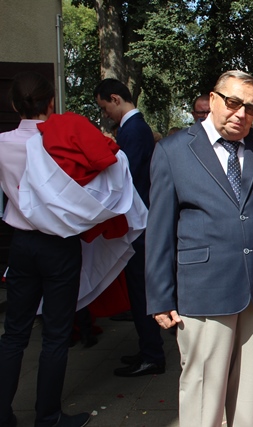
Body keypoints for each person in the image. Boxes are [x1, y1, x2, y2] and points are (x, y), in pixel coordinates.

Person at [146, 70, 253, 427]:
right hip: (205, 288)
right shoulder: (173, 150)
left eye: (251, 108)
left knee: (252, 393)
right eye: (233, 103)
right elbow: (159, 228)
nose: (241, 114)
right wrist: (160, 296)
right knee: (202, 392)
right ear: (212, 99)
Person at [0, 72, 90, 427]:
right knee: (55, 334)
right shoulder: (59, 143)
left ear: (14, 105)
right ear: (51, 103)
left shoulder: (2, 143)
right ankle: (48, 416)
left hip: (22, 243)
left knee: (14, 333)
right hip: (59, 244)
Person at [94, 78, 165, 377]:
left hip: (138, 223)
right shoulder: (134, 128)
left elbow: (127, 179)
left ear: (115, 98)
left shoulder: (133, 130)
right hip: (139, 221)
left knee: (140, 291)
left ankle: (152, 354)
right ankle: (147, 348)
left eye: (104, 107)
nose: (105, 114)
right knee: (138, 291)